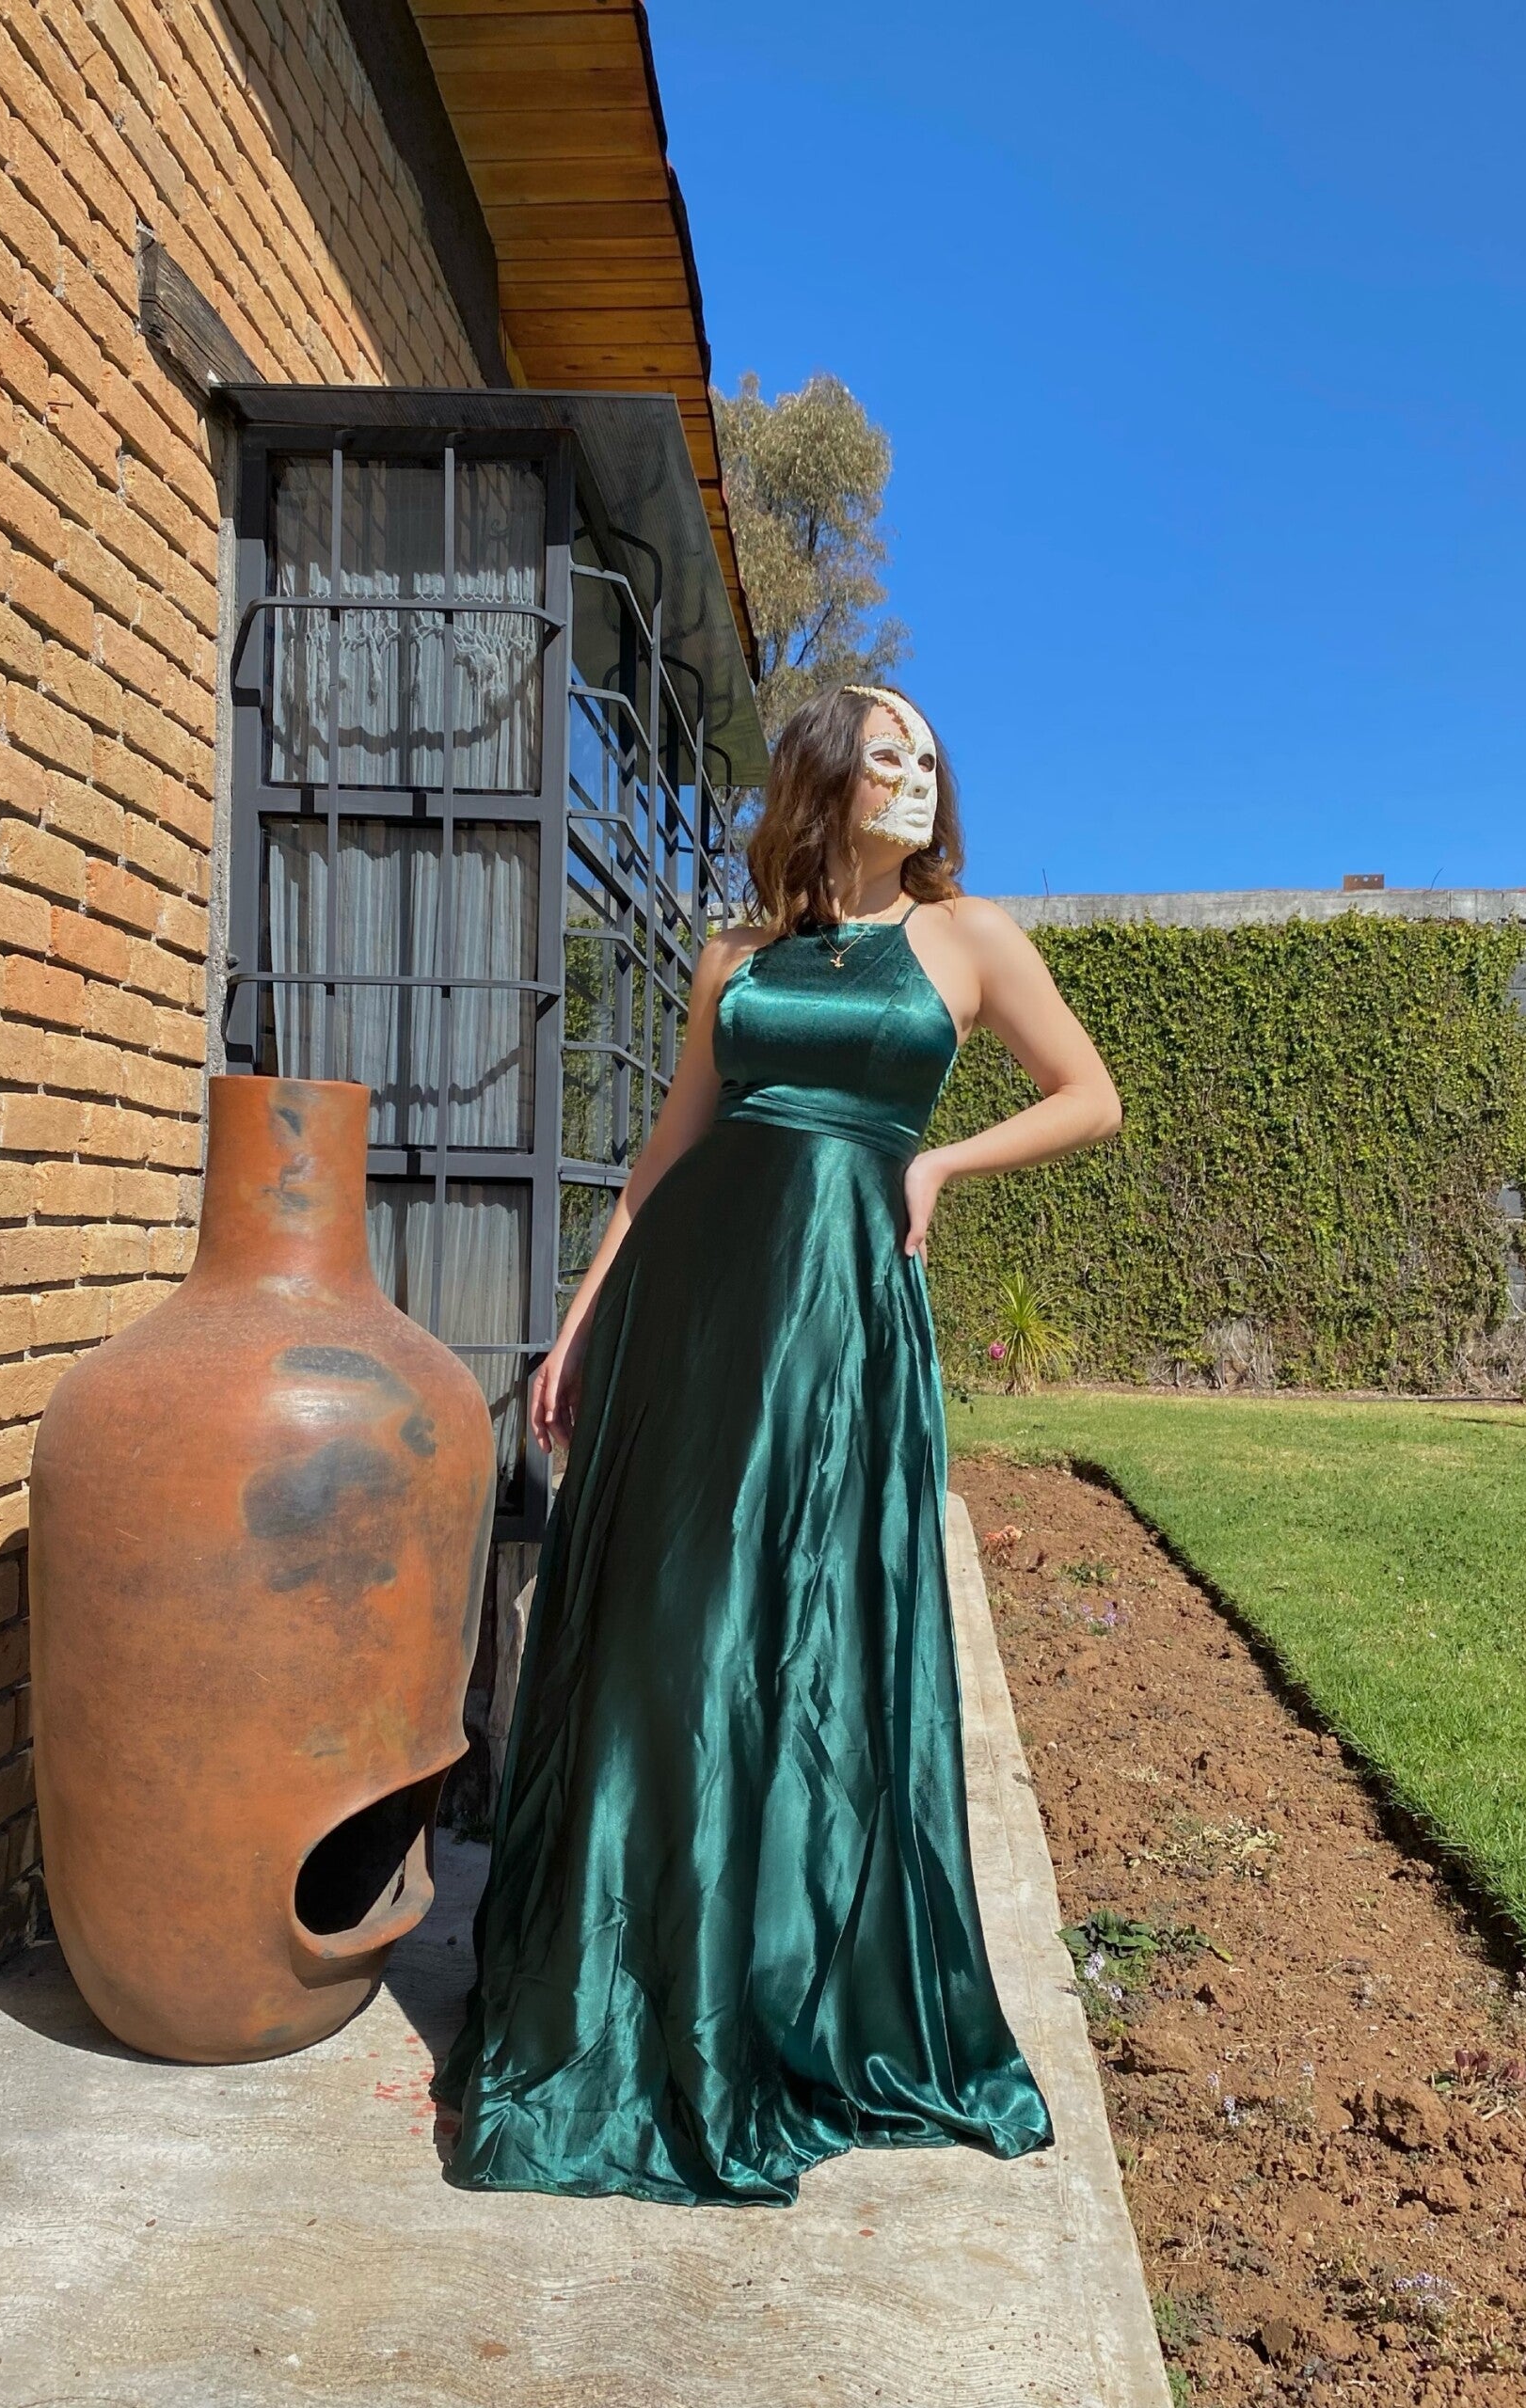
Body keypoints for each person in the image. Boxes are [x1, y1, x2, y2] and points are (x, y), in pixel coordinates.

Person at [432, 683, 1123, 2205]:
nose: (917, 776)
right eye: (886, 756)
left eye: (930, 757)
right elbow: (667, 1151)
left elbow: (1091, 1097)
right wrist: (583, 1318)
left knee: (802, 1626)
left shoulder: (968, 938)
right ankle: (637, 1961)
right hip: (696, 1313)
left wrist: (936, 1162)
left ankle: (779, 1970)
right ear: (822, 780)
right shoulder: (733, 957)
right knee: (674, 1624)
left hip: (839, 1318)